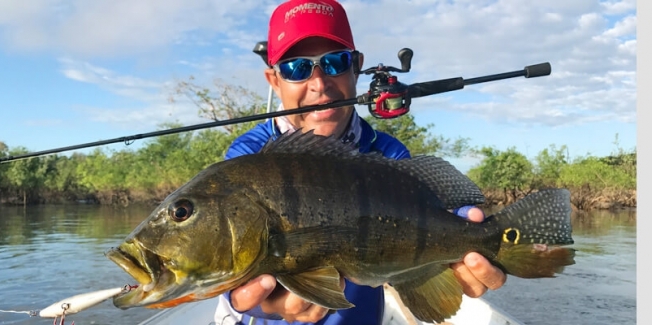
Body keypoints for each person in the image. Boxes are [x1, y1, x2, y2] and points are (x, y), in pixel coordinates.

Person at [214, 0, 506, 324]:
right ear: (273, 79)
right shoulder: (248, 160)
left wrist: (473, 234)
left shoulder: (387, 155)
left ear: (356, 66)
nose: (319, 84)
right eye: (295, 67)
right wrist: (261, 305)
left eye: (335, 62)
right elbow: (231, 270)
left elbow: (430, 222)